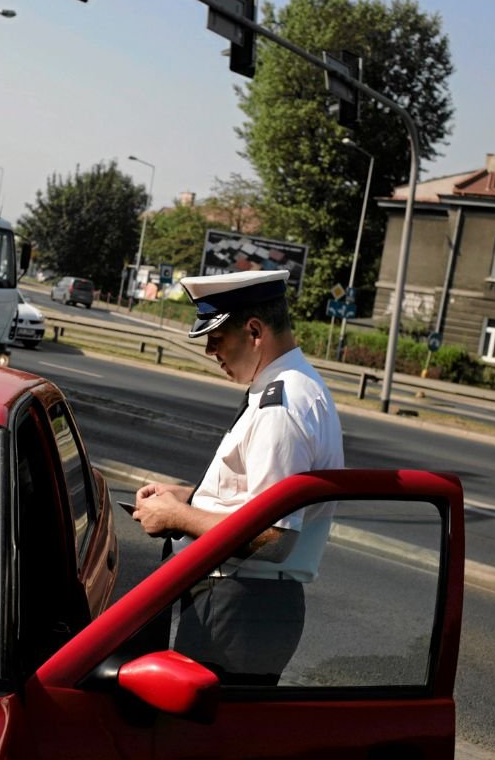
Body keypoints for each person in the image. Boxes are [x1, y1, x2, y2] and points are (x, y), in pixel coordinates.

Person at [132, 268, 345, 683]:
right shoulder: (294, 386)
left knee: (205, 739)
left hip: (242, 603)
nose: (212, 352)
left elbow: (273, 537)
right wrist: (190, 496)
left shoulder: (280, 406)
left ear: (253, 331)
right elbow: (255, 497)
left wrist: (176, 518)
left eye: (216, 339)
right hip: (247, 603)